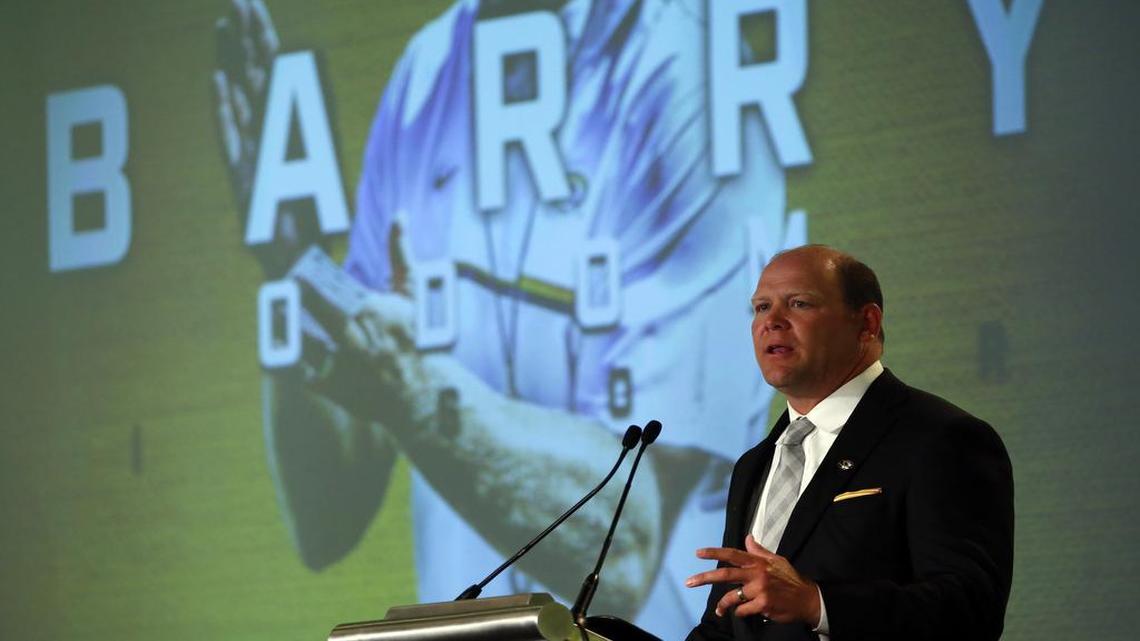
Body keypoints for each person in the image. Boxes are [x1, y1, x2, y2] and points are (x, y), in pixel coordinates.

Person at [212, 0, 803, 636]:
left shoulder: (683, 66)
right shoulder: (427, 67)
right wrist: (296, 270)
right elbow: (326, 522)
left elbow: (626, 545)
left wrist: (413, 391)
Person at [685, 245, 1014, 641]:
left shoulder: (941, 439)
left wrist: (817, 604)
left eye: (799, 303)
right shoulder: (754, 464)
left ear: (867, 323)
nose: (771, 321)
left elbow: (970, 611)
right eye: (761, 307)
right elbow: (727, 625)